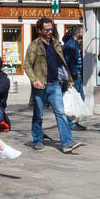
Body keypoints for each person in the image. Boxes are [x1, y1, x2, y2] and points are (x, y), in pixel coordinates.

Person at [23, 17, 80, 153]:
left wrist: (68, 78)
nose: (50, 31)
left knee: (60, 113)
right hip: (41, 85)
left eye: (51, 28)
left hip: (55, 85)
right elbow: (27, 65)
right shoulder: (34, 46)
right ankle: (37, 139)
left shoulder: (55, 43)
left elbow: (61, 63)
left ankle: (67, 142)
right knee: (39, 114)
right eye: (47, 29)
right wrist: (34, 80)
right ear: (40, 30)